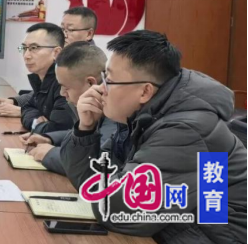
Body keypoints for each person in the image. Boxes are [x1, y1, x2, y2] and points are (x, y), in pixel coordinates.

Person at [61, 30, 247, 243]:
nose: (101, 89)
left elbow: (121, 211)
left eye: (109, 81)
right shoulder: (142, 118)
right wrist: (85, 129)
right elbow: (94, 181)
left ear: (145, 92)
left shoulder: (185, 130)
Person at [21, 41, 119, 174]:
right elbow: (84, 137)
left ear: (90, 83)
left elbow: (97, 163)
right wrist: (49, 138)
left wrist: (51, 154)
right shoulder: (93, 104)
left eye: (66, 87)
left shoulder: (116, 113)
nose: (62, 93)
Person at [0, 23, 73, 133]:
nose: (26, 56)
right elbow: (28, 107)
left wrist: (28, 115)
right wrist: (34, 116)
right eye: (24, 48)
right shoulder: (42, 79)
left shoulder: (64, 84)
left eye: (34, 48)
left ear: (56, 53)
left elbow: (54, 130)